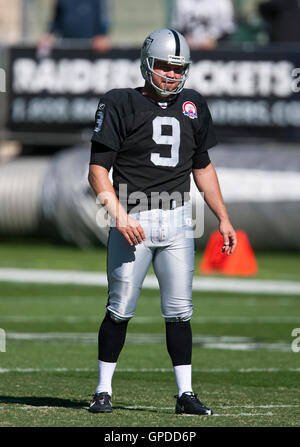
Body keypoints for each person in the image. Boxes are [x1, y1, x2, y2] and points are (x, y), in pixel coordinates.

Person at [88, 28, 237, 415]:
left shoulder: (193, 104)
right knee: (120, 308)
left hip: (176, 222)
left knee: (179, 311)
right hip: (133, 218)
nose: (171, 75)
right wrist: (118, 216)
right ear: (146, 63)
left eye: (178, 69)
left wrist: (223, 217)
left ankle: (185, 395)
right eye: (164, 67)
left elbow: (202, 167)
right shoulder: (119, 102)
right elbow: (97, 172)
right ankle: (102, 391)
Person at [38, 0, 111, 54]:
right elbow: (56, 20)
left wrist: (102, 35)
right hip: (68, 47)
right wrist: (49, 34)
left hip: (91, 49)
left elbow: (104, 19)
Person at [171, 0, 235, 49]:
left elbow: (227, 30)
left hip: (216, 53)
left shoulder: (222, 2)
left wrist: (215, 41)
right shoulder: (181, 1)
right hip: (188, 51)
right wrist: (184, 41)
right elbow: (178, 29)